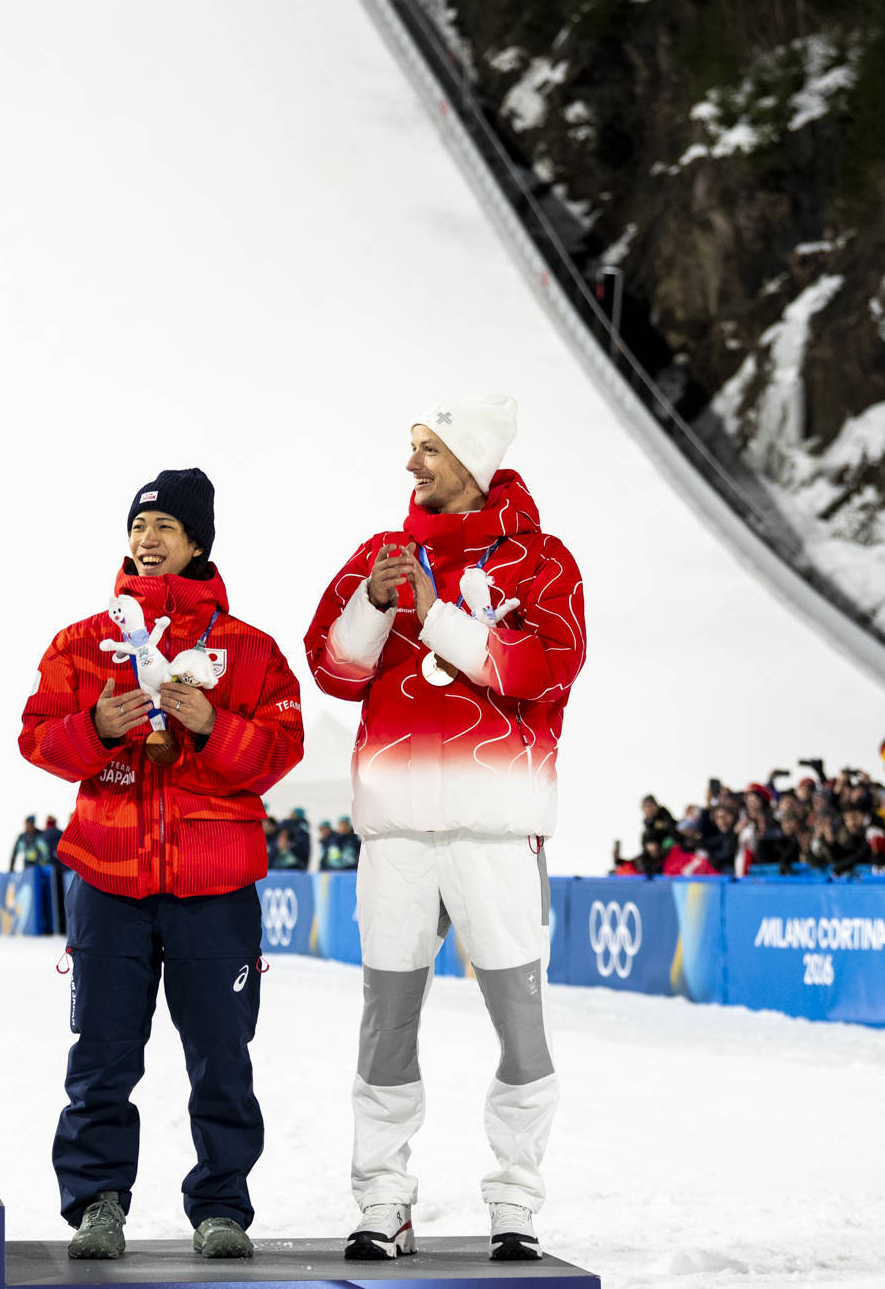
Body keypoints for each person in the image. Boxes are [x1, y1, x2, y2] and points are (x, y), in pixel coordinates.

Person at [303, 396, 584, 1263]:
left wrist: (433, 614)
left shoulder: (543, 561)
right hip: (397, 834)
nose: (412, 463)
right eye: (413, 446)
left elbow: (544, 668)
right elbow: (331, 668)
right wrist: (373, 603)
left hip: (495, 830)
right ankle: (382, 1198)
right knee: (385, 1025)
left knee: (520, 1027)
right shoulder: (380, 554)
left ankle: (517, 1199)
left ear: (472, 460)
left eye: (428, 448)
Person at [19, 469, 304, 1263]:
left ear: (198, 542)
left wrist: (213, 723)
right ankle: (98, 1201)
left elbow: (280, 751)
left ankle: (221, 1206)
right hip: (107, 879)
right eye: (139, 526)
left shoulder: (250, 650)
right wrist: (94, 726)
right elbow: (37, 736)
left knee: (222, 1057)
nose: (147, 539)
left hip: (217, 885)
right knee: (101, 1054)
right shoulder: (81, 642)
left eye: (165, 528)